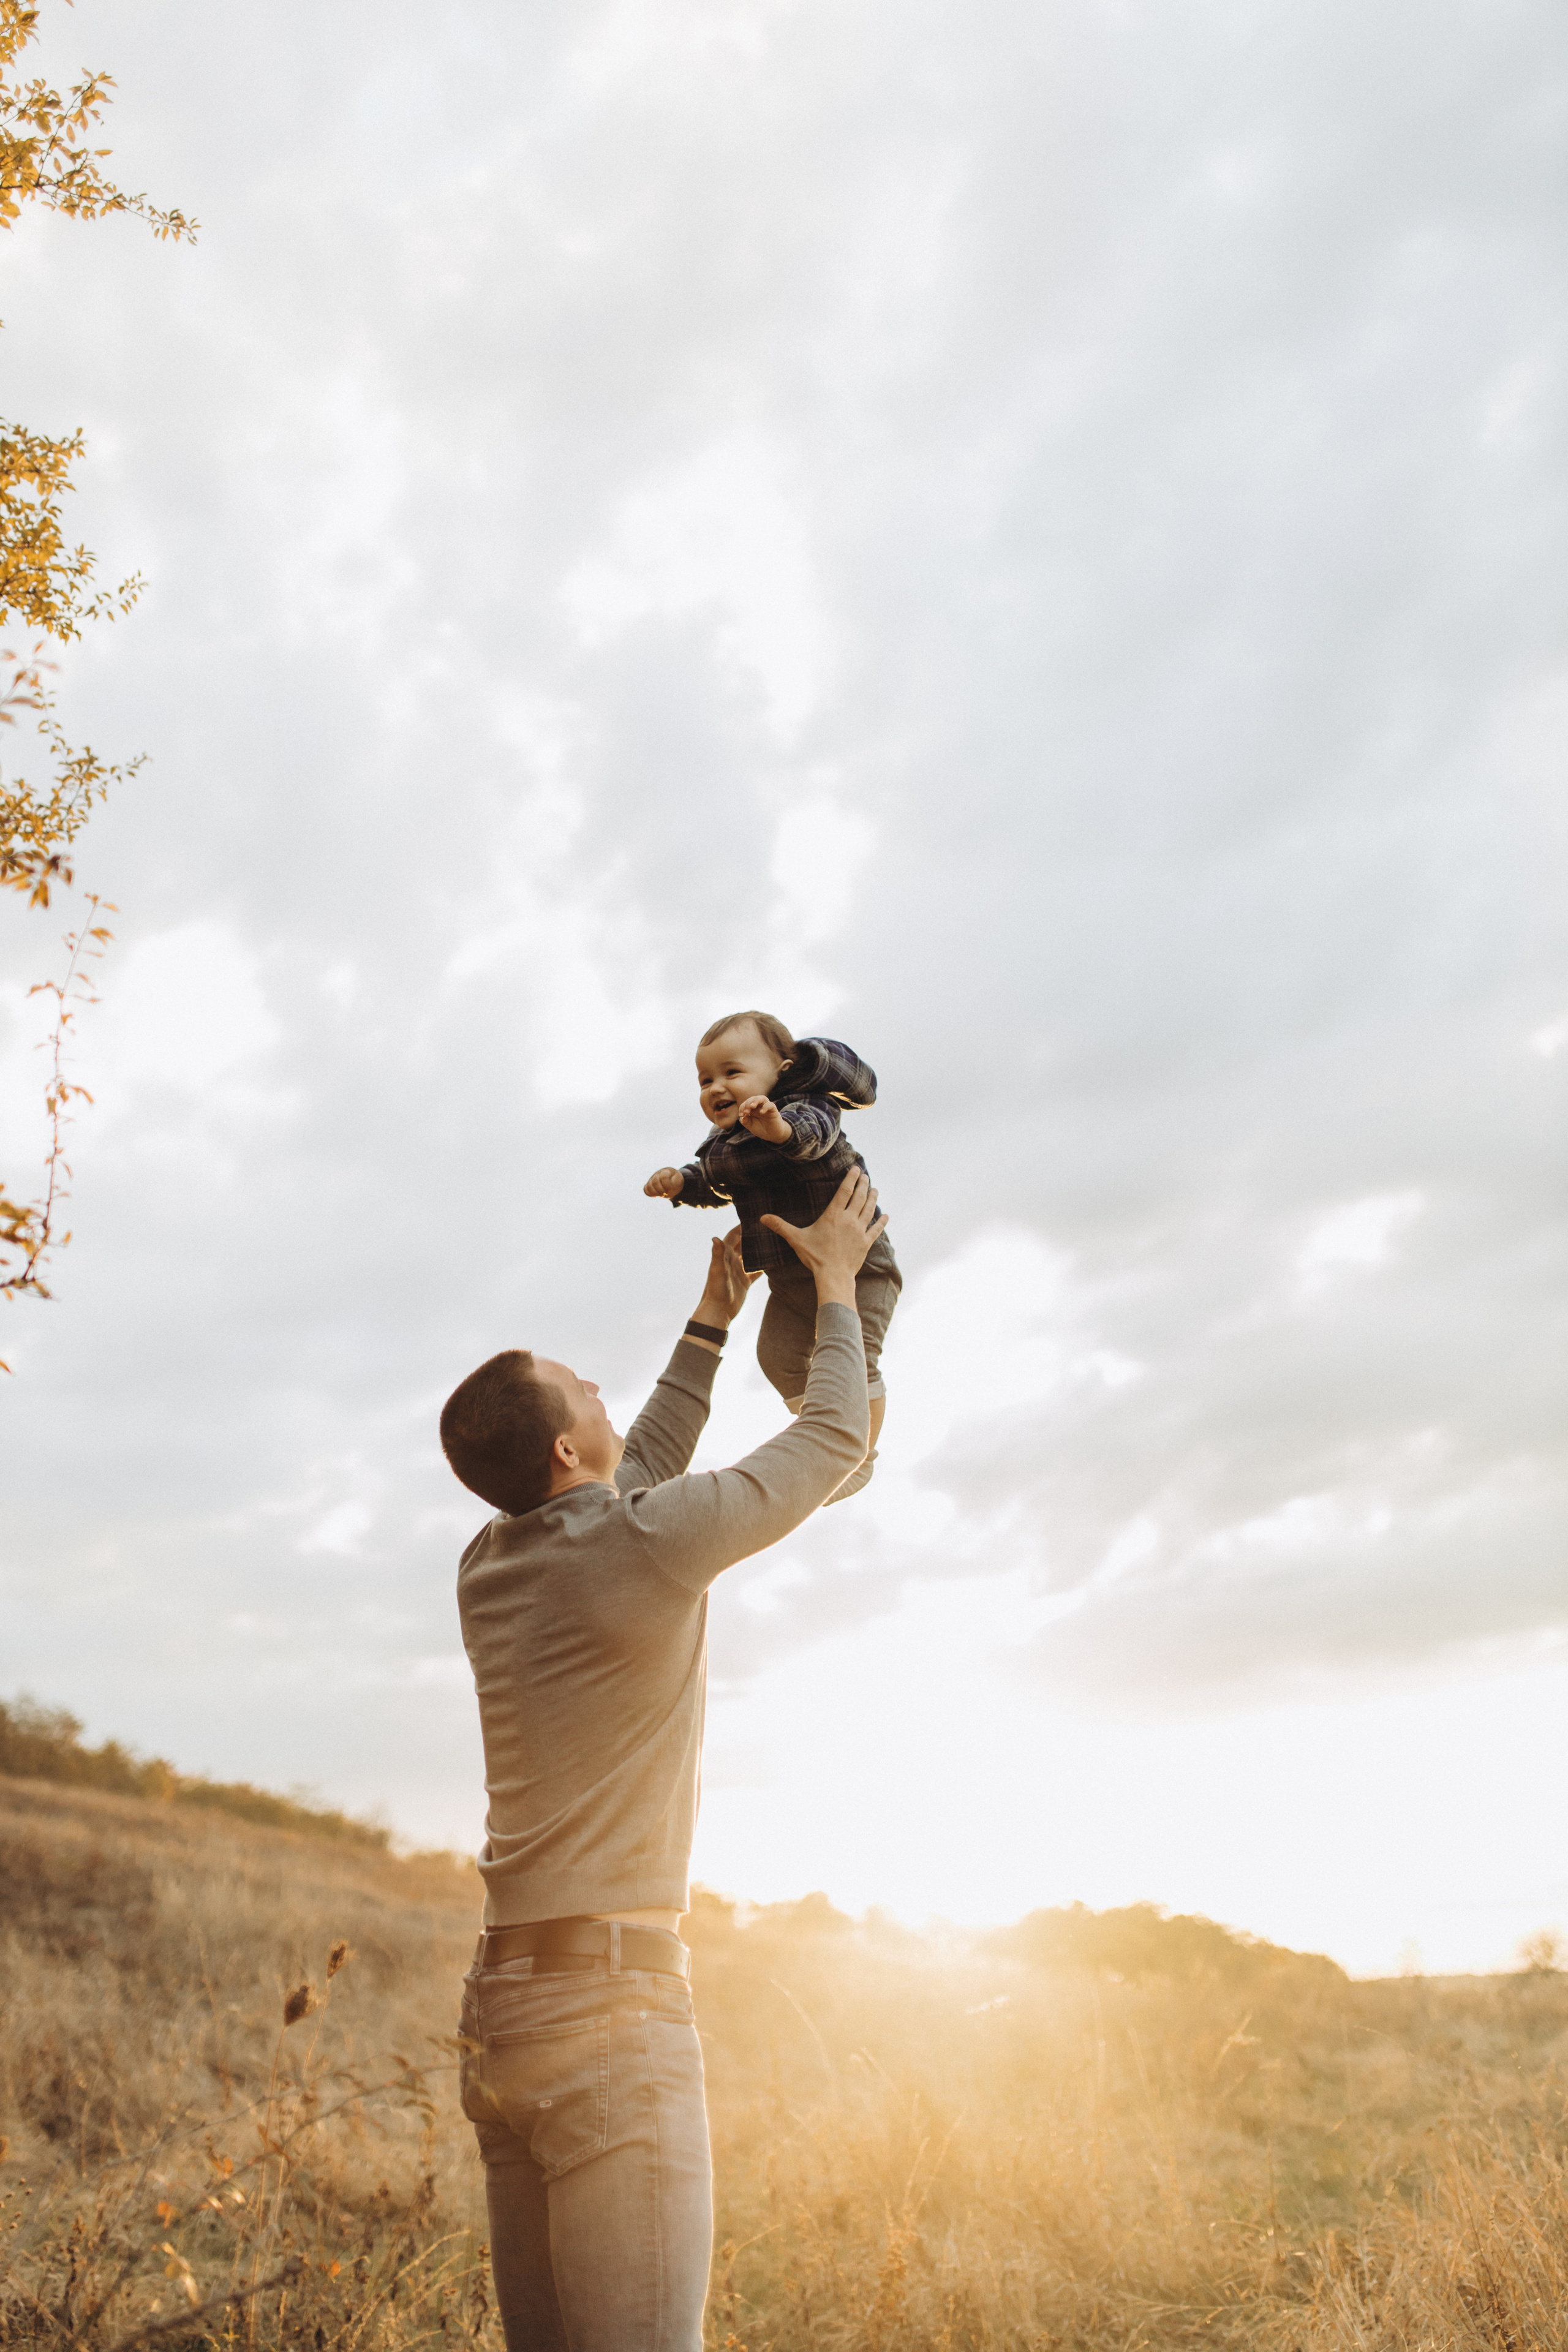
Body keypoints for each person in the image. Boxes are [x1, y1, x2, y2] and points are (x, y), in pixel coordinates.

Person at [438, 1167, 887, 2352]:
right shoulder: (638, 1547)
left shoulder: (493, 1563)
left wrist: (712, 1319)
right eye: (581, 1386)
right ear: (564, 1455)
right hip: (608, 2012)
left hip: (506, 2012)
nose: (600, 1384)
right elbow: (835, 1435)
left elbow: (626, 1473)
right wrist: (834, 1291)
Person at [644, 1008, 900, 1501]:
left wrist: (778, 1129)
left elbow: (812, 1138)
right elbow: (714, 1181)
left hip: (863, 1269)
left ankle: (858, 1457)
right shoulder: (725, 1145)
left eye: (732, 1073)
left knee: (856, 1361)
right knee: (776, 1358)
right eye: (705, 1079)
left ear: (780, 1072)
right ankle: (828, 1434)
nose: (716, 1087)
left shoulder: (806, 1105)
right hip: (790, 1279)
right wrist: (681, 1182)